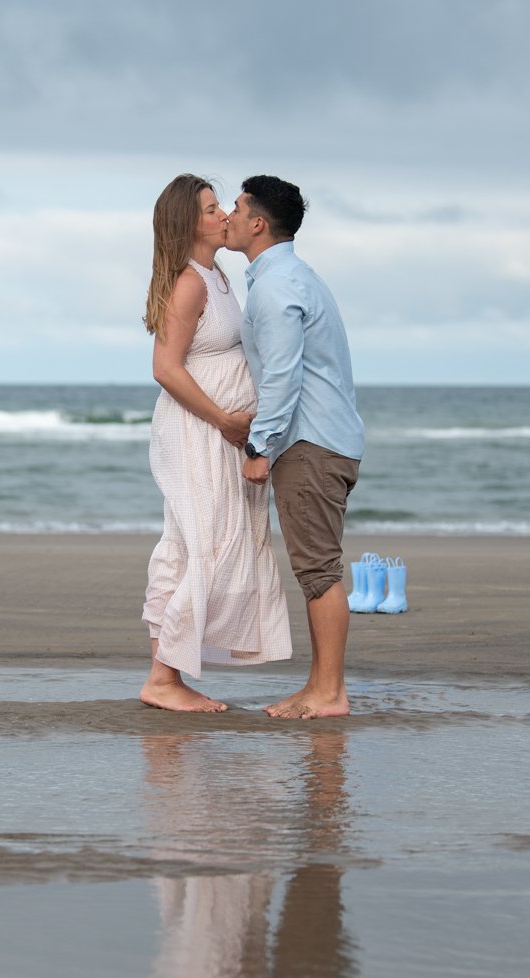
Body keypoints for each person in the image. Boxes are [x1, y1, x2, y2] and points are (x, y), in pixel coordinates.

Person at [140, 174, 293, 712]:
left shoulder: (217, 274)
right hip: (197, 430)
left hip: (218, 430)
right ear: (189, 223)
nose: (224, 214)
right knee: (199, 545)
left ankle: (168, 675)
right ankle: (163, 679)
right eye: (211, 210)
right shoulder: (190, 282)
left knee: (200, 545)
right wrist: (226, 420)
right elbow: (165, 368)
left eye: (221, 206)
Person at [225, 175, 364, 719]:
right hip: (325, 440)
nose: (228, 217)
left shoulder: (278, 286)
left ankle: (329, 693)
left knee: (318, 571)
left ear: (258, 222)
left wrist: (260, 446)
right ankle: (319, 686)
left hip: (309, 444)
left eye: (235, 208)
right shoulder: (291, 276)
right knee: (317, 569)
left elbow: (282, 377)